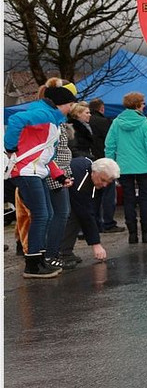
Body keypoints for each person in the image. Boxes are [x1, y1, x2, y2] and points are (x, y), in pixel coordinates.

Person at [5, 83, 77, 277]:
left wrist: (59, 175)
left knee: (48, 214)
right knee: (41, 215)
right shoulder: (44, 115)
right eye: (70, 104)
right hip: (26, 171)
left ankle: (40, 259)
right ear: (61, 103)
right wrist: (10, 147)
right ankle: (33, 264)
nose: (71, 108)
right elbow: (16, 119)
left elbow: (46, 155)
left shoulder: (51, 118)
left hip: (36, 171)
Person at [105, 92, 147, 244]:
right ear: (137, 105)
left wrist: (111, 166)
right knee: (146, 199)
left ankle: (132, 234)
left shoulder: (116, 123)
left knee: (128, 200)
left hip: (124, 167)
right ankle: (146, 233)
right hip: (145, 167)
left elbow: (110, 146)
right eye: (143, 103)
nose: (144, 106)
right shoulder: (145, 123)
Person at [58, 156, 118, 265]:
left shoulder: (93, 174)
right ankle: (61, 252)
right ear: (94, 173)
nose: (105, 185)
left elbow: (93, 208)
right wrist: (96, 244)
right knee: (74, 216)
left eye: (108, 182)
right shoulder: (82, 181)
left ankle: (64, 251)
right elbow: (85, 213)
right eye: (103, 180)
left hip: (64, 191)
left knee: (77, 214)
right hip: (55, 191)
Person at [88, 98, 123, 233]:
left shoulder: (85, 123)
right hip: (104, 162)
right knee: (108, 194)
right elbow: (111, 143)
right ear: (102, 108)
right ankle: (108, 223)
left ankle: (95, 223)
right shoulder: (104, 122)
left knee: (93, 196)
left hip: (90, 161)